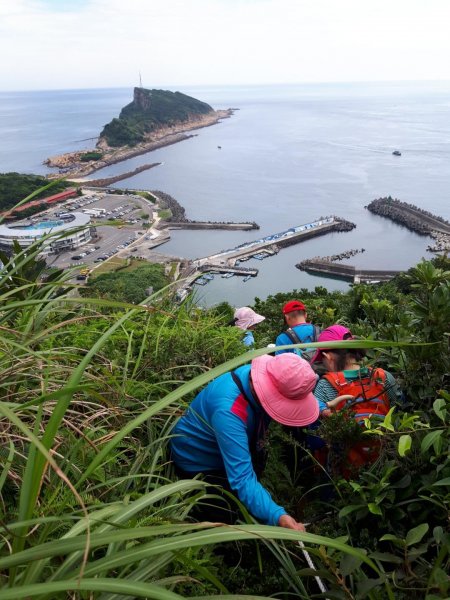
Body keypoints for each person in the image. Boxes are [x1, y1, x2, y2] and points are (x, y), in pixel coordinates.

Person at [170, 353, 319, 530]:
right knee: (221, 517)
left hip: (224, 449)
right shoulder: (229, 411)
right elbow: (242, 478)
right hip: (198, 463)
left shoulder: (256, 378)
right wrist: (278, 515)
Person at [310, 324, 402, 473]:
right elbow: (400, 410)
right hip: (386, 462)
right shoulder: (384, 378)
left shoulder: (325, 386)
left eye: (322, 359)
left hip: (345, 468)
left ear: (328, 356)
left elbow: (315, 436)